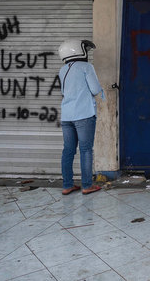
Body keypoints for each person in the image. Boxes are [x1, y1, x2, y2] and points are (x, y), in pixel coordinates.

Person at [57, 39, 103, 195]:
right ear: (78, 50)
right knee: (86, 150)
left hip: (66, 116)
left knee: (68, 150)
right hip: (84, 114)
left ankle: (67, 185)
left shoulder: (62, 70)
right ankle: (87, 185)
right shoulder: (86, 67)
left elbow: (64, 92)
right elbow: (95, 89)